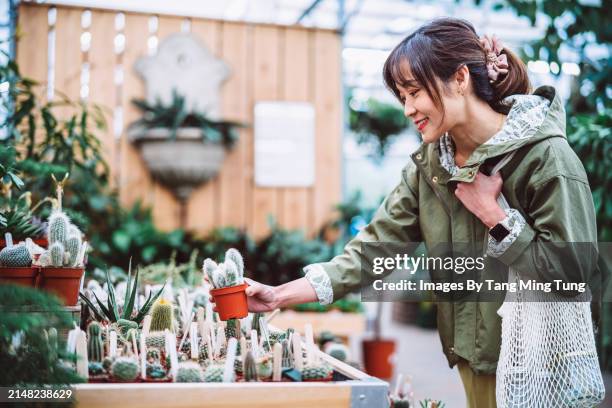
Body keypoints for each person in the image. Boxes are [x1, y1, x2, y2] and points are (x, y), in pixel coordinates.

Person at [216, 18, 597, 407]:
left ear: (460, 78)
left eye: (414, 92)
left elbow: (573, 270)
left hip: (538, 364)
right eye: (402, 96)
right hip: (473, 356)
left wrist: (494, 218)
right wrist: (279, 295)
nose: (407, 109)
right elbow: (374, 249)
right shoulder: (432, 165)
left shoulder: (546, 156)